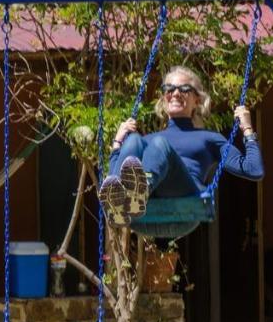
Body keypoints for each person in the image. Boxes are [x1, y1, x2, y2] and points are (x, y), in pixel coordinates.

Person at [98, 66, 263, 227]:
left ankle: (140, 192)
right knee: (133, 140)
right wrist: (118, 142)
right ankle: (120, 204)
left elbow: (254, 170)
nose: (175, 93)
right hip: (147, 212)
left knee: (159, 144)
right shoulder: (147, 141)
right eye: (169, 89)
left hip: (186, 201)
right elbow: (114, 174)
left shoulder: (208, 138)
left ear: (197, 100)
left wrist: (247, 129)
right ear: (164, 97)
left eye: (184, 89)